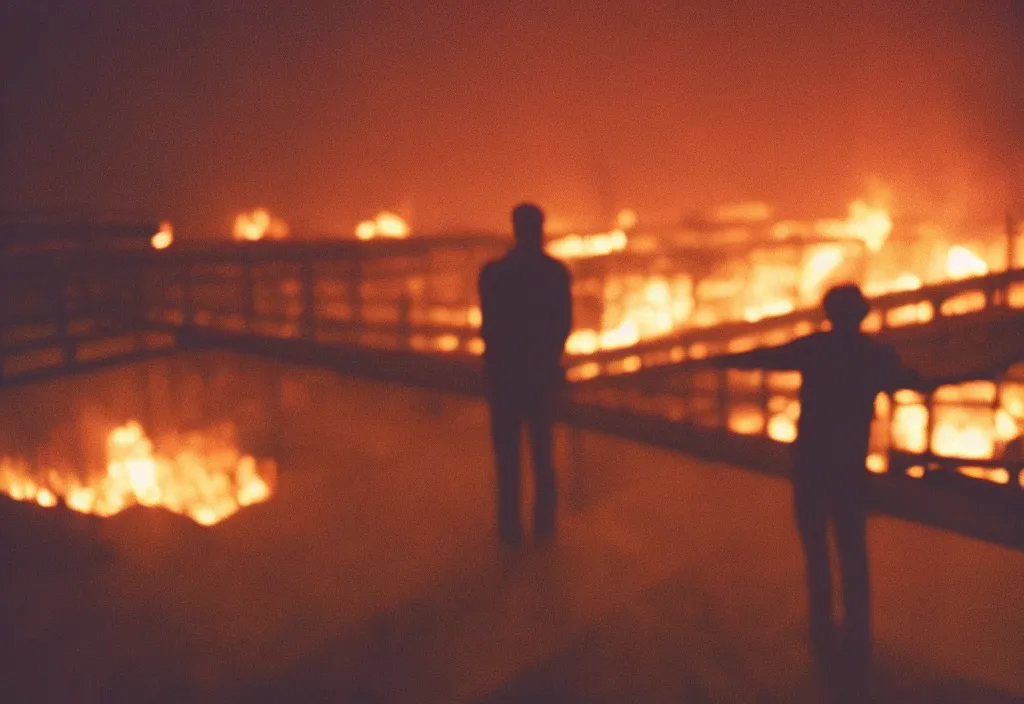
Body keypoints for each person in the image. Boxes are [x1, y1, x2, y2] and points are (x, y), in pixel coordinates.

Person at [711, 283, 928, 674]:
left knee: (815, 548)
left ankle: (822, 627)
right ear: (862, 313)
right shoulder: (875, 355)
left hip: (811, 460)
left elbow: (765, 357)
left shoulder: (813, 348)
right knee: (852, 549)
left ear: (829, 314)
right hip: (849, 465)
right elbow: (914, 379)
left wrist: (719, 358)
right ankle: (858, 640)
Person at [478, 203, 573, 544]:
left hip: (505, 378)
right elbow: (563, 325)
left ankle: (510, 527)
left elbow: (489, 327)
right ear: (541, 229)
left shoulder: (493, 274)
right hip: (540, 377)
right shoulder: (556, 274)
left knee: (508, 459)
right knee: (543, 454)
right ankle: (544, 527)